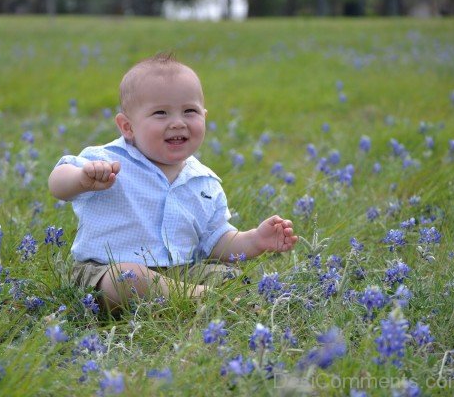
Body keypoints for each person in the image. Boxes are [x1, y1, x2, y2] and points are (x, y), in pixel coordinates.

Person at [48, 53, 298, 310]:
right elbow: (57, 183)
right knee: (128, 279)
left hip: (181, 273)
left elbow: (216, 241)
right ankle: (203, 299)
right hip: (105, 270)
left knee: (228, 276)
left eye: (190, 111)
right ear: (127, 127)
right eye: (160, 113)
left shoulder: (204, 181)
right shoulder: (105, 161)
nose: (177, 123)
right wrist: (81, 178)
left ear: (204, 116)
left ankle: (189, 297)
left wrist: (255, 240)